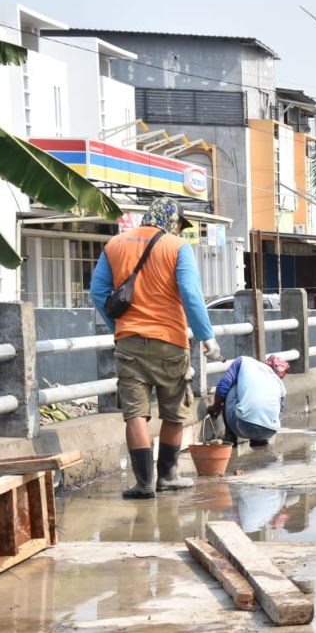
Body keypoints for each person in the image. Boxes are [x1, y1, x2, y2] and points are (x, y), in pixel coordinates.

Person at [91, 197, 222, 500]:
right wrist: (207, 336)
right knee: (175, 411)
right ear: (173, 222)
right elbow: (189, 292)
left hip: (129, 342)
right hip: (170, 342)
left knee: (135, 413)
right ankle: (167, 477)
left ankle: (143, 484)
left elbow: (98, 293)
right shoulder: (177, 247)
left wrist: (120, 329)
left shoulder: (114, 245)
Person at [208, 355, 289, 446]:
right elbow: (279, 413)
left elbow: (223, 386)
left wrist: (216, 407)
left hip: (242, 424)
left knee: (232, 386)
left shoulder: (242, 361)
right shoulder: (280, 384)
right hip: (270, 430)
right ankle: (259, 440)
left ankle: (230, 437)